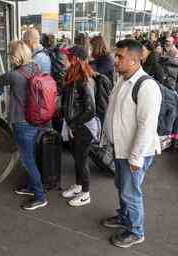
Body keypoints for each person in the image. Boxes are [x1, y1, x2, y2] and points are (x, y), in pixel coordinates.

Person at [101, 39, 162, 248]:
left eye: (120, 57)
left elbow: (146, 126)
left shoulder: (147, 87)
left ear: (135, 60)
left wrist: (135, 156)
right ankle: (124, 217)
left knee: (130, 191)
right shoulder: (123, 79)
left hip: (135, 153)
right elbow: (115, 112)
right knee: (122, 186)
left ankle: (136, 231)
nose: (115, 60)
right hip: (121, 149)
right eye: (115, 55)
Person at [0, 40, 47, 210]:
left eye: (11, 56)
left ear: (15, 56)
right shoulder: (35, 68)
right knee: (31, 156)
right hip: (35, 120)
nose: (10, 59)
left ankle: (40, 196)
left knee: (28, 160)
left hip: (21, 122)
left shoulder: (15, 75)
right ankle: (31, 187)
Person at [61, 46, 99, 207]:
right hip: (76, 125)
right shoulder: (74, 76)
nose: (63, 60)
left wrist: (74, 124)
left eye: (66, 57)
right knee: (77, 158)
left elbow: (91, 110)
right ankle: (78, 186)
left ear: (74, 59)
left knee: (81, 160)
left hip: (83, 127)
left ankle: (85, 193)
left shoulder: (84, 79)